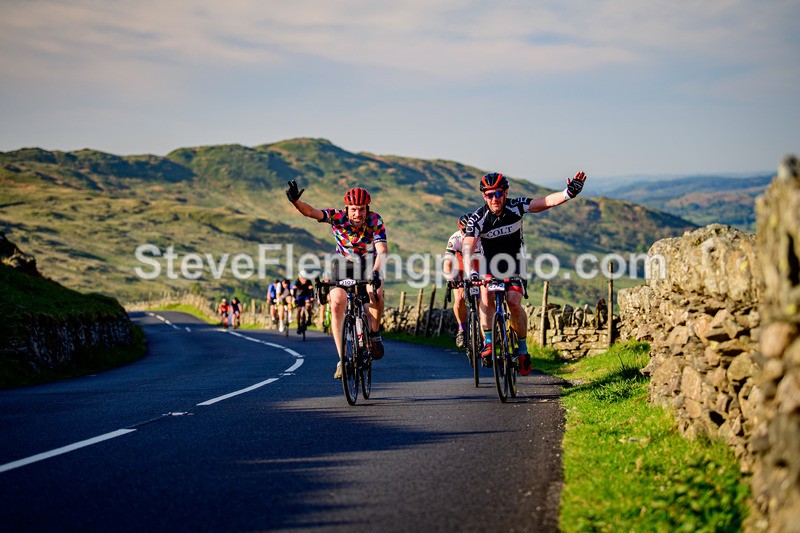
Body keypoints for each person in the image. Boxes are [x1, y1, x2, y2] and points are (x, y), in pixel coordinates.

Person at [462, 171, 587, 376]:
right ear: (484, 196)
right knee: (485, 293)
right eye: (489, 195)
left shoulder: (516, 206)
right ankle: (489, 342)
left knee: (513, 301)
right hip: (489, 266)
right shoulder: (478, 218)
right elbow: (468, 247)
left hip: (515, 263)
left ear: (506, 192)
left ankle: (522, 350)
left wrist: (568, 193)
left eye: (499, 194)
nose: (494, 199)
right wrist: (471, 272)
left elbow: (544, 202)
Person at [286, 179, 388, 379]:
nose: (358, 214)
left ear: (367, 209)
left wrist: (376, 271)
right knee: (336, 304)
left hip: (369, 263)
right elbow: (311, 212)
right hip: (343, 264)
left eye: (361, 209)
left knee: (374, 293)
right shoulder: (336, 217)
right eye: (353, 209)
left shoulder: (375, 220)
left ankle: (374, 334)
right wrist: (296, 202)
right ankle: (343, 358)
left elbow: (382, 250)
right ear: (346, 209)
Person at [443, 213, 484, 348]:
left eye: (469, 231)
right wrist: (450, 278)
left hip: (480, 266)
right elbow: (448, 261)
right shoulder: (455, 238)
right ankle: (462, 329)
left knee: (483, 300)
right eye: (464, 231)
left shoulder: (482, 236)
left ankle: (486, 335)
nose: (467, 234)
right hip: (460, 267)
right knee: (459, 298)